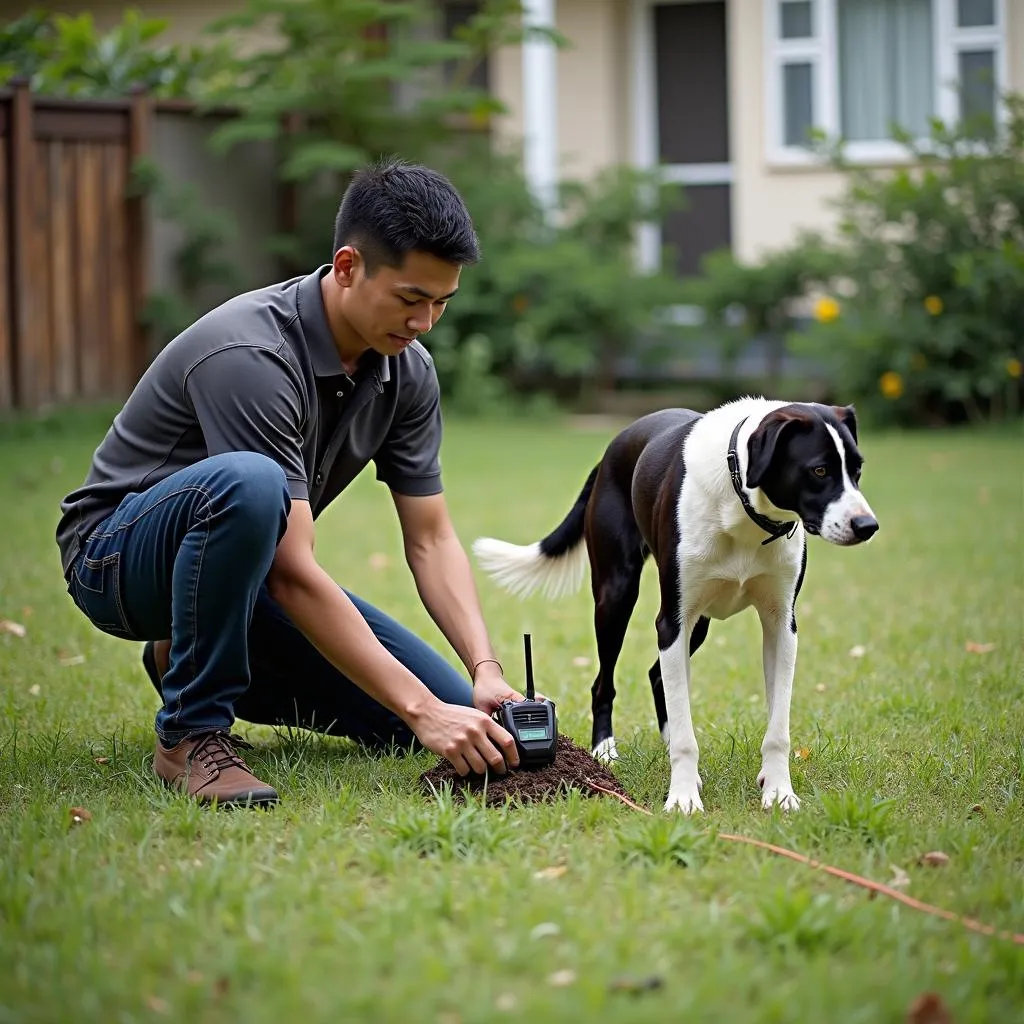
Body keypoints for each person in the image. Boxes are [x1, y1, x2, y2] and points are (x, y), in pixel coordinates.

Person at [55, 157, 532, 808]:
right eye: (410, 299)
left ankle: (190, 653)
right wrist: (423, 709)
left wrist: (483, 673)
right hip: (116, 559)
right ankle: (191, 735)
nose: (424, 323)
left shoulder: (405, 370)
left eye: (441, 304)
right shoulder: (251, 355)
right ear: (346, 267)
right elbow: (291, 570)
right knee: (250, 485)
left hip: (240, 572)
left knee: (441, 717)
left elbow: (430, 538)